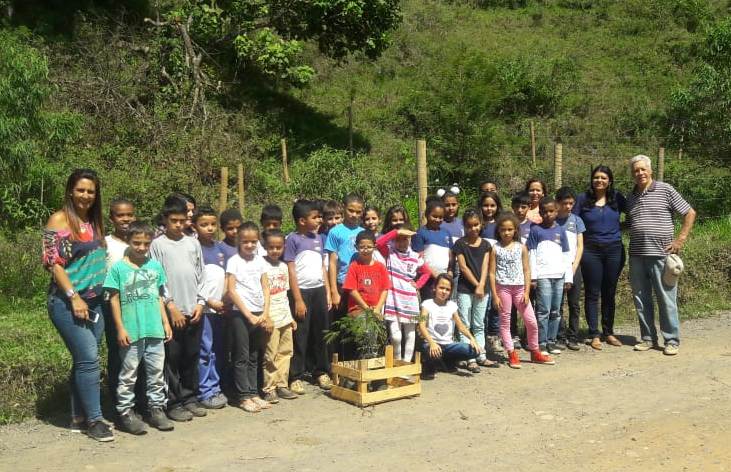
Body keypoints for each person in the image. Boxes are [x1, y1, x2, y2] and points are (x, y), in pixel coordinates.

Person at [43, 169, 114, 441]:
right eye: (81, 190)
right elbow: (54, 264)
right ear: (71, 190)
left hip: (95, 303)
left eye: (91, 191)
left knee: (84, 360)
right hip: (67, 302)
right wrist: (74, 297)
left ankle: (77, 416)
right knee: (89, 358)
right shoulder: (59, 220)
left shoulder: (94, 221)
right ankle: (95, 420)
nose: (86, 196)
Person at [103, 221, 174, 434]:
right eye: (137, 243)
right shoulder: (118, 269)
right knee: (129, 373)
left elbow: (159, 296)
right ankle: (125, 412)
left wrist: (165, 322)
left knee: (156, 371)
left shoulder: (154, 266)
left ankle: (156, 409)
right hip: (132, 330)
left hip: (154, 329)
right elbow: (113, 300)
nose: (142, 248)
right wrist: (120, 328)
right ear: (129, 242)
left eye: (146, 243)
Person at [626, 154, 696, 356]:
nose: (639, 173)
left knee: (666, 299)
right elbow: (632, 223)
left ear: (650, 171)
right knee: (641, 298)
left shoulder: (665, 189)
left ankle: (672, 340)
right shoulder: (631, 197)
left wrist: (680, 239)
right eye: (636, 170)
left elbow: (689, 213)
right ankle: (648, 338)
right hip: (637, 255)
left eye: (642, 169)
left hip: (661, 254)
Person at [149, 195, 206, 422]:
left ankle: (190, 397)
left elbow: (201, 275)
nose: (179, 225)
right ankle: (172, 402)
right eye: (174, 220)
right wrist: (170, 305)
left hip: (193, 310)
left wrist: (200, 304)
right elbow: (157, 279)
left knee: (191, 356)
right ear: (165, 219)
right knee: (171, 358)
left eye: (182, 220)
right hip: (172, 312)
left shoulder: (193, 243)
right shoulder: (157, 245)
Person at [490, 213, 553, 369]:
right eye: (503, 229)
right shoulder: (495, 248)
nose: (506, 232)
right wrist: (494, 294)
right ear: (498, 231)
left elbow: (526, 270)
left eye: (510, 229)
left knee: (531, 321)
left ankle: (535, 351)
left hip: (519, 289)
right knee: (505, 323)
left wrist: (526, 292)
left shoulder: (521, 247)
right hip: (503, 288)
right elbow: (491, 272)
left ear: (516, 230)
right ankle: (511, 353)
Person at [573, 165, 626, 350]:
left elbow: (634, 213)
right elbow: (573, 223)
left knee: (609, 292)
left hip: (614, 250)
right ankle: (594, 333)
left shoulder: (617, 198)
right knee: (592, 292)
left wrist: (621, 228)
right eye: (596, 177)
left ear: (609, 180)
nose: (599, 180)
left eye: (603, 177)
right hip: (590, 251)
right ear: (591, 180)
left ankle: (608, 332)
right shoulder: (582, 199)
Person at [284, 200, 333, 394]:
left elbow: (322, 266)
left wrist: (328, 291)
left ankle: (321, 371)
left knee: (321, 333)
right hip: (301, 292)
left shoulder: (319, 239)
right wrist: (297, 299)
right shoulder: (293, 239)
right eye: (315, 217)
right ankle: (295, 375)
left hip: (319, 290)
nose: (320, 220)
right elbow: (291, 270)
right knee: (300, 335)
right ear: (302, 220)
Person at [225, 222, 273, 413]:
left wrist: (265, 313)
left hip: (259, 313)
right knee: (241, 356)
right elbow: (231, 290)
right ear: (239, 241)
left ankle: (254, 393)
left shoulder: (260, 261)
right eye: (246, 242)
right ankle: (243, 396)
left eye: (253, 241)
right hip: (241, 315)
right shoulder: (234, 261)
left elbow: (266, 287)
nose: (250, 245)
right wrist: (248, 315)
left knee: (254, 356)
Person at [376, 224, 431, 362]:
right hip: (393, 299)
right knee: (396, 336)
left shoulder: (415, 256)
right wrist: (397, 231)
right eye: (398, 239)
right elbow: (378, 243)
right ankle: (397, 362)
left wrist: (418, 285)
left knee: (410, 334)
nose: (401, 242)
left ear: (410, 240)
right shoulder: (390, 252)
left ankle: (406, 365)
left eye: (405, 239)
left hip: (410, 300)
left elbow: (427, 272)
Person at [192, 206, 228, 409]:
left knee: (217, 349)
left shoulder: (220, 248)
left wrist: (224, 300)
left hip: (220, 309)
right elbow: (195, 281)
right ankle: (205, 391)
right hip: (203, 309)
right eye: (204, 224)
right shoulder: (194, 248)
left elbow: (225, 278)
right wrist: (207, 301)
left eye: (213, 224)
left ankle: (216, 387)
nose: (209, 228)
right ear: (194, 226)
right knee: (205, 350)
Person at [528, 197, 572, 355]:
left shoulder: (561, 230)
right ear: (540, 212)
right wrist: (533, 277)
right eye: (544, 212)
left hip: (559, 275)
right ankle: (541, 341)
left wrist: (568, 278)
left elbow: (567, 255)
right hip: (543, 275)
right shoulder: (535, 230)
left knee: (555, 311)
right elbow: (531, 254)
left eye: (551, 211)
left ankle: (552, 341)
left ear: (557, 211)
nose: (548, 214)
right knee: (543, 310)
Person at [102, 197, 136, 407]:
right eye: (120, 215)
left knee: (138, 354)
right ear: (112, 218)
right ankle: (118, 404)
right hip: (113, 307)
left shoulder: (141, 242)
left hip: (139, 306)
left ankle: (137, 400)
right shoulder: (105, 243)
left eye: (129, 214)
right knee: (117, 355)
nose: (125, 219)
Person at [453, 209, 496, 371]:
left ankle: (481, 355)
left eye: (476, 225)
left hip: (482, 290)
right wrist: (476, 285)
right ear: (464, 226)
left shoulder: (486, 245)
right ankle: (468, 356)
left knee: (479, 324)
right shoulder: (460, 244)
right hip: (465, 289)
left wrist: (481, 285)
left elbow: (486, 267)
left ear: (481, 224)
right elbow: (463, 267)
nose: (473, 229)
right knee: (465, 323)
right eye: (469, 226)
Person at [418, 274, 484, 380]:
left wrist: (472, 339)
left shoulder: (452, 306)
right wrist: (431, 343)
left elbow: (461, 326)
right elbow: (421, 325)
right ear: (434, 288)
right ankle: (429, 368)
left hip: (448, 345)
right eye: (441, 288)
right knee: (429, 351)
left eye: (447, 289)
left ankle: (447, 362)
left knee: (475, 351)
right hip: (432, 343)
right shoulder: (426, 304)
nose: (444, 291)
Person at [261, 229, 299, 403]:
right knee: (271, 354)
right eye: (271, 247)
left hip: (284, 316)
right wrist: (266, 317)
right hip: (271, 319)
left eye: (278, 247)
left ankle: (282, 384)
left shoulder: (283, 266)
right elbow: (262, 295)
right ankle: (269, 388)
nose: (275, 250)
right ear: (264, 246)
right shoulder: (260, 266)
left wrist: (290, 317)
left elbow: (284, 295)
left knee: (286, 352)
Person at [342, 230, 391, 360]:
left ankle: (376, 367)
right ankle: (366, 363)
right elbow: (352, 290)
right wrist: (366, 308)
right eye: (362, 247)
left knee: (382, 334)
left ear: (374, 247)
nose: (366, 250)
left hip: (375, 309)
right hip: (358, 310)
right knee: (367, 331)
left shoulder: (380, 267)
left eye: (369, 247)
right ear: (356, 247)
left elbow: (385, 289)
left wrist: (377, 308)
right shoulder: (354, 266)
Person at [555, 187, 585, 351]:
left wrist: (574, 266)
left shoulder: (577, 220)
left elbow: (580, 246)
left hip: (574, 267)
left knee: (574, 303)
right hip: (556, 269)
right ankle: (560, 335)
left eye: (571, 203)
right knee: (557, 304)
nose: (567, 206)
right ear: (557, 202)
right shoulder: (551, 220)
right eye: (564, 203)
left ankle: (573, 336)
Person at [325, 194, 365, 319]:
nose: (354, 214)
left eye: (358, 212)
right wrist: (334, 291)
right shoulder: (335, 232)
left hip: (360, 284)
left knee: (358, 323)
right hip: (342, 284)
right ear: (344, 208)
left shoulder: (362, 232)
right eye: (351, 210)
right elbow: (332, 263)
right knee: (341, 324)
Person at [411, 199, 453, 300]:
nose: (437, 220)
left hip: (444, 279)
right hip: (428, 280)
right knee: (429, 306)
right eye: (434, 216)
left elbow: (451, 256)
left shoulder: (446, 233)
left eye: (440, 217)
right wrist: (435, 275)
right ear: (426, 214)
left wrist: (450, 271)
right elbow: (419, 259)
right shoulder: (420, 233)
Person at [479, 191, 503, 353]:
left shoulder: (501, 224)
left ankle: (494, 337)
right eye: (486, 205)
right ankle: (481, 337)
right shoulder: (478, 225)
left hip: (499, 272)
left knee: (496, 306)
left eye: (492, 205)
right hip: (481, 271)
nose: (489, 209)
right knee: (483, 306)